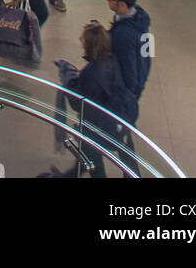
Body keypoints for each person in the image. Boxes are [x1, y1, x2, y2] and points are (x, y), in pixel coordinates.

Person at [58, 22, 137, 179]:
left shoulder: (89, 73)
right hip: (118, 121)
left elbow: (78, 103)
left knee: (92, 159)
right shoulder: (112, 60)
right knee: (123, 158)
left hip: (98, 128)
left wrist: (68, 79)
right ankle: (75, 172)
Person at [106, 0, 152, 120]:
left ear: (122, 4)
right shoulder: (141, 19)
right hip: (139, 80)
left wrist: (128, 96)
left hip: (125, 92)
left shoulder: (123, 35)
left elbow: (129, 70)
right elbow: (148, 54)